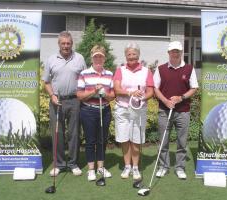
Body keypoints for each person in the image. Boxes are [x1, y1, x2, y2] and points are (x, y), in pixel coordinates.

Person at [42, 31, 86, 177]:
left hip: (75, 100)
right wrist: (52, 95)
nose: (66, 46)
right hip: (57, 100)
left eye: (68, 43)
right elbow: (46, 82)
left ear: (72, 44)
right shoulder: (51, 59)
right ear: (59, 44)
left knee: (74, 133)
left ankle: (73, 163)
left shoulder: (79, 58)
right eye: (63, 43)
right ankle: (59, 164)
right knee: (57, 133)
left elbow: (85, 79)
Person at [153, 41, 198, 180]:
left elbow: (194, 88)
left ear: (181, 52)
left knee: (182, 141)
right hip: (164, 111)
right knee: (163, 141)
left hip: (183, 111)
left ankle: (180, 167)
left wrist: (181, 98)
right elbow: (155, 88)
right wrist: (166, 101)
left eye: (177, 51)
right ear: (168, 53)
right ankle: (163, 167)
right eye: (173, 51)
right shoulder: (160, 69)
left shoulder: (189, 68)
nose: (175, 53)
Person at [113, 42, 154, 180]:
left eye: (134, 54)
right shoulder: (120, 70)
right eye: (129, 54)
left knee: (136, 139)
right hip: (122, 108)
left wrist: (142, 98)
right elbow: (117, 89)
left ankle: (135, 167)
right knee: (124, 139)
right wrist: (131, 93)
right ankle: (127, 166)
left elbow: (150, 91)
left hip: (139, 109)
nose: (132, 57)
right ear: (126, 56)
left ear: (138, 55)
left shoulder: (146, 71)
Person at [76, 45, 115, 181]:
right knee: (90, 140)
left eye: (101, 56)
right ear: (91, 58)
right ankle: (91, 169)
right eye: (96, 56)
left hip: (104, 110)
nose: (98, 59)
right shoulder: (84, 73)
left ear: (104, 58)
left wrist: (104, 93)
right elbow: (80, 95)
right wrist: (94, 91)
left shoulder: (109, 74)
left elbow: (112, 96)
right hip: (88, 111)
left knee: (102, 140)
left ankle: (101, 167)